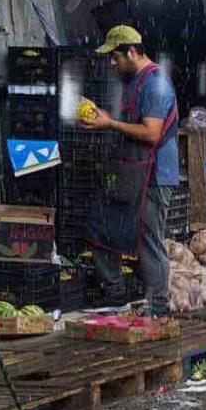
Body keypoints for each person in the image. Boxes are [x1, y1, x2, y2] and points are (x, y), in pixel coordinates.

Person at [81, 25, 179, 318]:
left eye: (116, 57)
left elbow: (151, 133)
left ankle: (159, 308)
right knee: (101, 226)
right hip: (130, 173)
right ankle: (115, 294)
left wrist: (109, 123)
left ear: (132, 52)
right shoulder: (135, 81)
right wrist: (104, 117)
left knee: (148, 241)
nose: (112, 63)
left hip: (154, 176)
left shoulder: (155, 85)